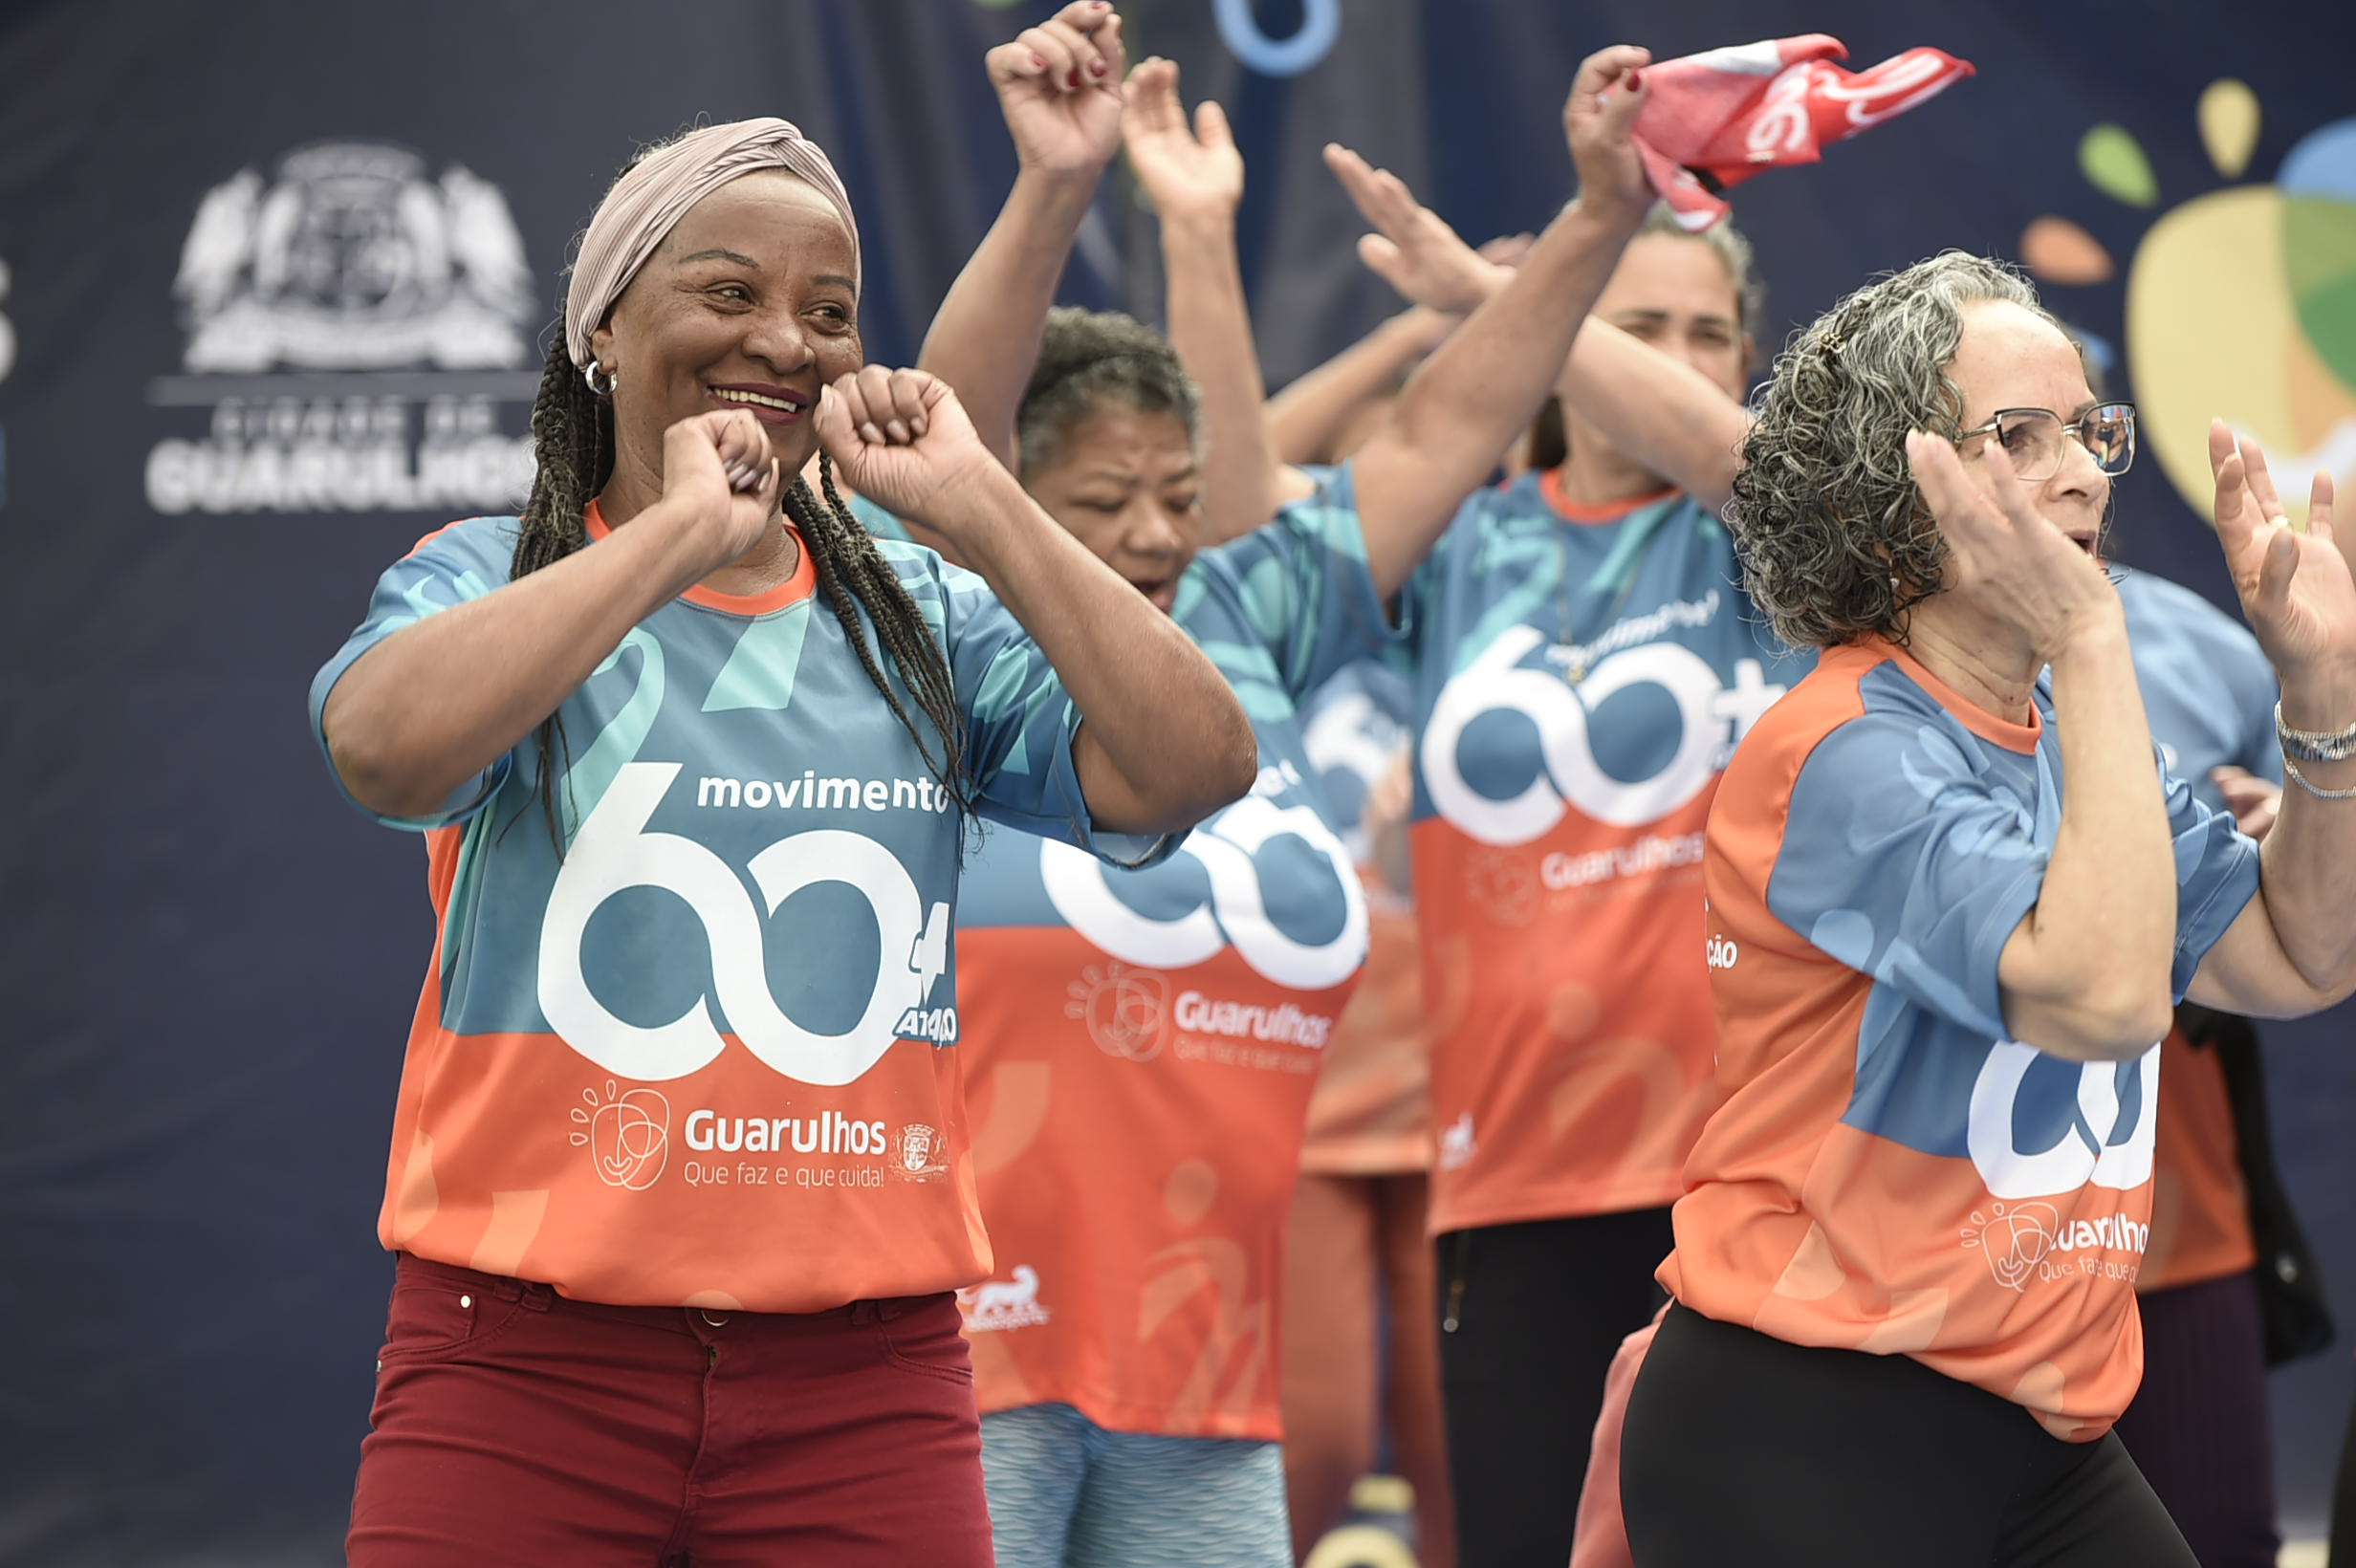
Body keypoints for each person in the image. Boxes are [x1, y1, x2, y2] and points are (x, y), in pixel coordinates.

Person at [309, 107, 1261, 1564]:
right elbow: (381, 748)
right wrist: (675, 539)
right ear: (604, 330)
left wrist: (984, 510)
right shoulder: (493, 577)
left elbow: (1198, 764)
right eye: (728, 291)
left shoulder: (919, 620)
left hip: (863, 1394)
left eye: (827, 312)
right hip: (523, 1372)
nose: (782, 341)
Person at [867, 37, 1669, 1567]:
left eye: (1177, 494)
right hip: (960, 1368)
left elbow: (1444, 428)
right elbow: (944, 428)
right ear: (1004, 497)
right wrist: (1059, 187)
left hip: (1204, 1389)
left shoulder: (1250, 615)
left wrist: (1599, 215)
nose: (1156, 535)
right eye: (1104, 505)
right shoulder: (954, 632)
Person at [1618, 250, 2356, 1567]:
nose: (2084, 474)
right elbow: (2106, 999)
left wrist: (2323, 698)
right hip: (1812, 1425)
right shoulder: (1839, 747)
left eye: (2088, 430)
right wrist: (2093, 638)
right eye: (2019, 437)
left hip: (2039, 1433)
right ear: (1891, 497)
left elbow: (2305, 956)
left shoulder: (2073, 731)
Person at [1312, 127, 1805, 1568]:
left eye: (1708, 334)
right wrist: (1464, 314)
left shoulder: (1782, 546)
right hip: (1514, 1170)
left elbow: (1738, 457)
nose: (1678, 357)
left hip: (1756, 1169)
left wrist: (1507, 298)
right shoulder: (1465, 544)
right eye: (1634, 323)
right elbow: (1229, 522)